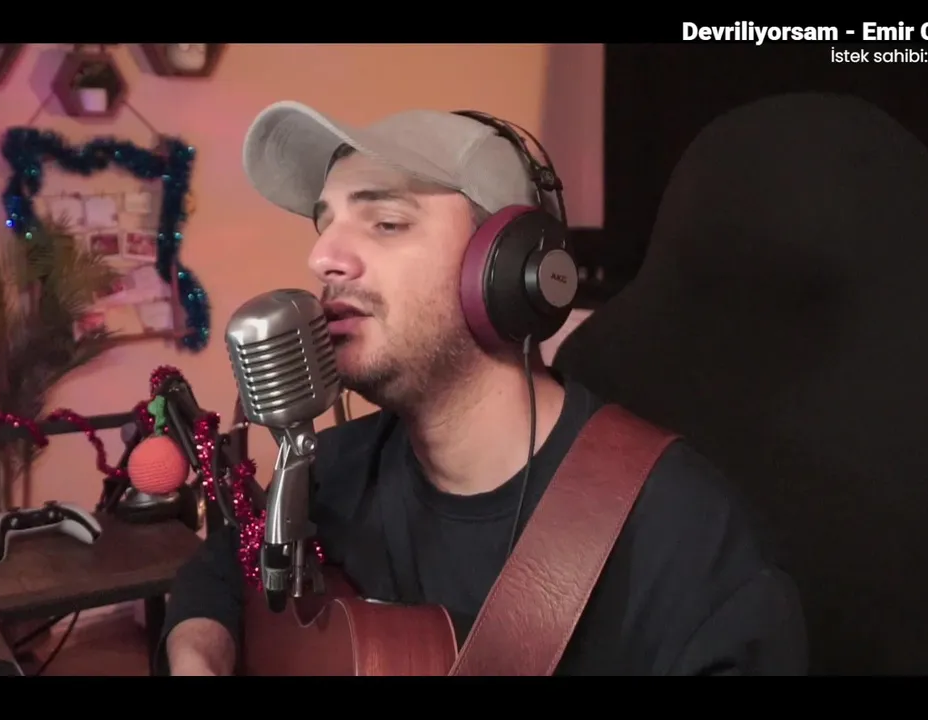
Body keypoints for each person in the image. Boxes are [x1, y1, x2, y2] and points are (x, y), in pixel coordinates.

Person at [160, 101, 808, 676]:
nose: (323, 258)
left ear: (508, 269)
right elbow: (221, 573)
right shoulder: (329, 470)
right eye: (324, 224)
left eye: (386, 223)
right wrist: (198, 651)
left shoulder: (685, 537)